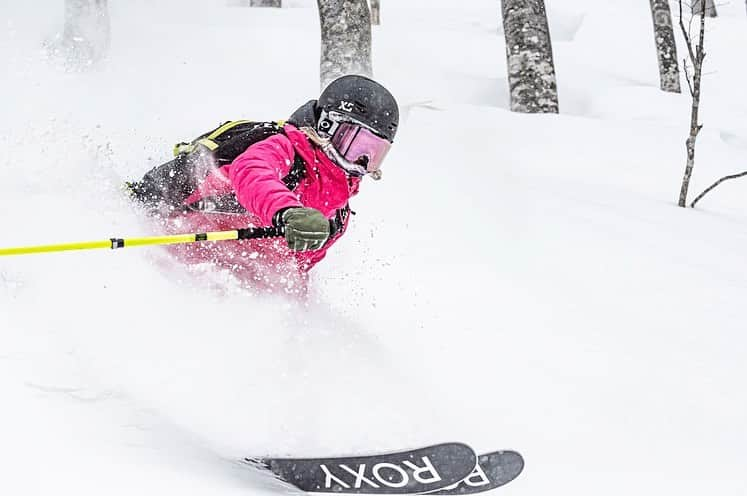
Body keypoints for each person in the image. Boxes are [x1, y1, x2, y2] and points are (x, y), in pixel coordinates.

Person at [127, 75, 399, 295]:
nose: (360, 163)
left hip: (225, 285)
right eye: (356, 145)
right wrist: (287, 211)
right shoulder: (287, 148)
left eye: (373, 155)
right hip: (166, 241)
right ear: (328, 125)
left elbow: (293, 272)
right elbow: (252, 173)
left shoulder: (337, 217)